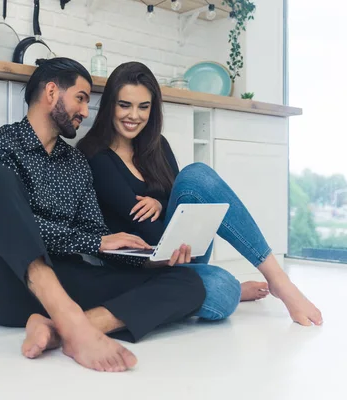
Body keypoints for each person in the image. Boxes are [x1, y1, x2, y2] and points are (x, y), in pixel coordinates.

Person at [0, 57, 208, 373]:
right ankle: (73, 323)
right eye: (80, 98)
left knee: (188, 283)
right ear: (52, 92)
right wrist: (96, 242)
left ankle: (57, 327)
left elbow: (96, 235)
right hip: (8, 286)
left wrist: (149, 258)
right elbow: (7, 222)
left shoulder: (77, 164)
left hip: (70, 279)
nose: (85, 111)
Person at [76, 61, 323, 327]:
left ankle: (279, 281)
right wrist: (175, 229)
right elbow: (149, 235)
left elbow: (182, 199)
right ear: (110, 104)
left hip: (181, 253)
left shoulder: (157, 145)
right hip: (142, 269)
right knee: (223, 287)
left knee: (197, 176)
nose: (134, 115)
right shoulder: (95, 156)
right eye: (125, 105)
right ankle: (230, 288)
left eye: (143, 107)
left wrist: (160, 203)